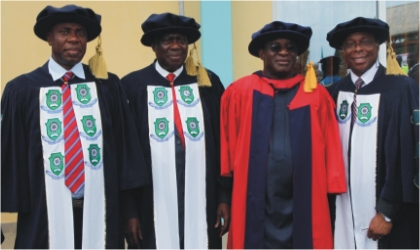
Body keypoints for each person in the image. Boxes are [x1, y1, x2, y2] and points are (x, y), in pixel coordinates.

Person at [1, 5, 148, 248]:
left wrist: (130, 212)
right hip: (43, 214)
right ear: (49, 38)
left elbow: (125, 154)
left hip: (101, 211)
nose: (73, 38)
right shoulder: (22, 90)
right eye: (64, 31)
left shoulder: (107, 86)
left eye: (80, 32)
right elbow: (10, 159)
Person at [220, 21, 347, 249]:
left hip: (305, 193)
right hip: (255, 194)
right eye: (275, 47)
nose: (284, 53)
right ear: (262, 53)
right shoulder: (240, 92)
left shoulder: (317, 95)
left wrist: (333, 184)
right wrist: (225, 191)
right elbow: (227, 145)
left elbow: (331, 146)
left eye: (290, 47)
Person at [121, 13, 232, 249]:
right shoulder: (132, 86)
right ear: (153, 46)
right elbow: (126, 155)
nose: (175, 46)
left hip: (204, 197)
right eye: (167, 40)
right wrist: (130, 211)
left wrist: (224, 197)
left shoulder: (207, 82)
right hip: (149, 200)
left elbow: (223, 142)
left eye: (181, 39)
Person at [326, 17, 419, 249]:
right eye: (350, 43)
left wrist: (388, 212)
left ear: (378, 46)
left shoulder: (400, 88)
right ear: (343, 51)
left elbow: (408, 153)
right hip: (341, 209)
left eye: (365, 41)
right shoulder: (332, 93)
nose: (358, 48)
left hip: (387, 213)